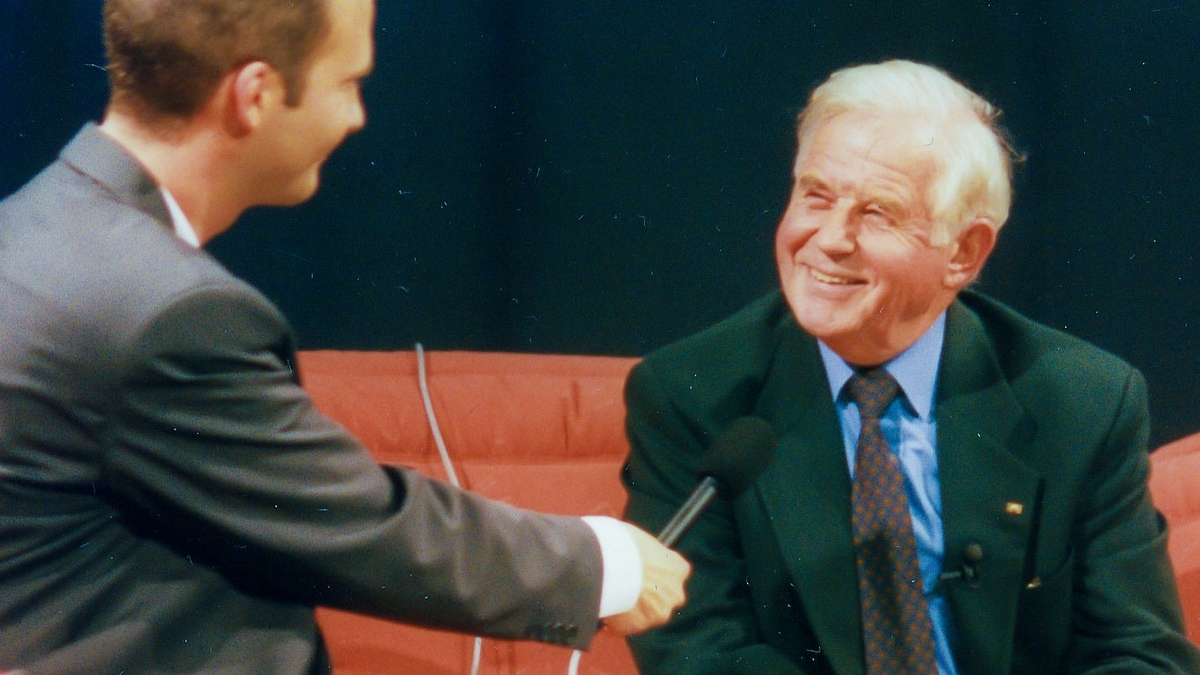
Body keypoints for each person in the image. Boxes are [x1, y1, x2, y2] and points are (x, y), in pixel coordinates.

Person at [0, 1, 690, 673]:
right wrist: (606, 565)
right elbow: (360, 523)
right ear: (256, 94)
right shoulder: (173, 314)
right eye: (350, 83)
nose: (359, 117)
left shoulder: (30, 225)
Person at [621, 59, 1200, 674]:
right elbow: (696, 656)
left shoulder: (1083, 402)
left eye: (877, 213)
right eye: (815, 195)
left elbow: (1143, 655)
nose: (829, 238)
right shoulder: (692, 395)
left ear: (964, 252)